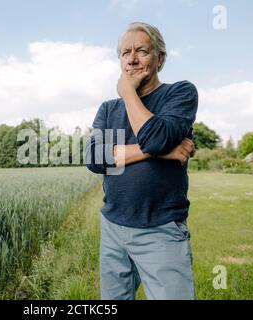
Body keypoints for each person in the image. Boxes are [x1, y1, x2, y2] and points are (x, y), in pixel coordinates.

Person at [85, 22, 198, 300]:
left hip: (160, 229)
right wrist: (163, 150)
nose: (132, 58)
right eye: (125, 53)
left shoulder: (180, 93)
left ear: (159, 59)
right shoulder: (108, 109)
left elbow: (155, 137)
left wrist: (128, 92)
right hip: (112, 226)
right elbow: (93, 157)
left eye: (142, 51)